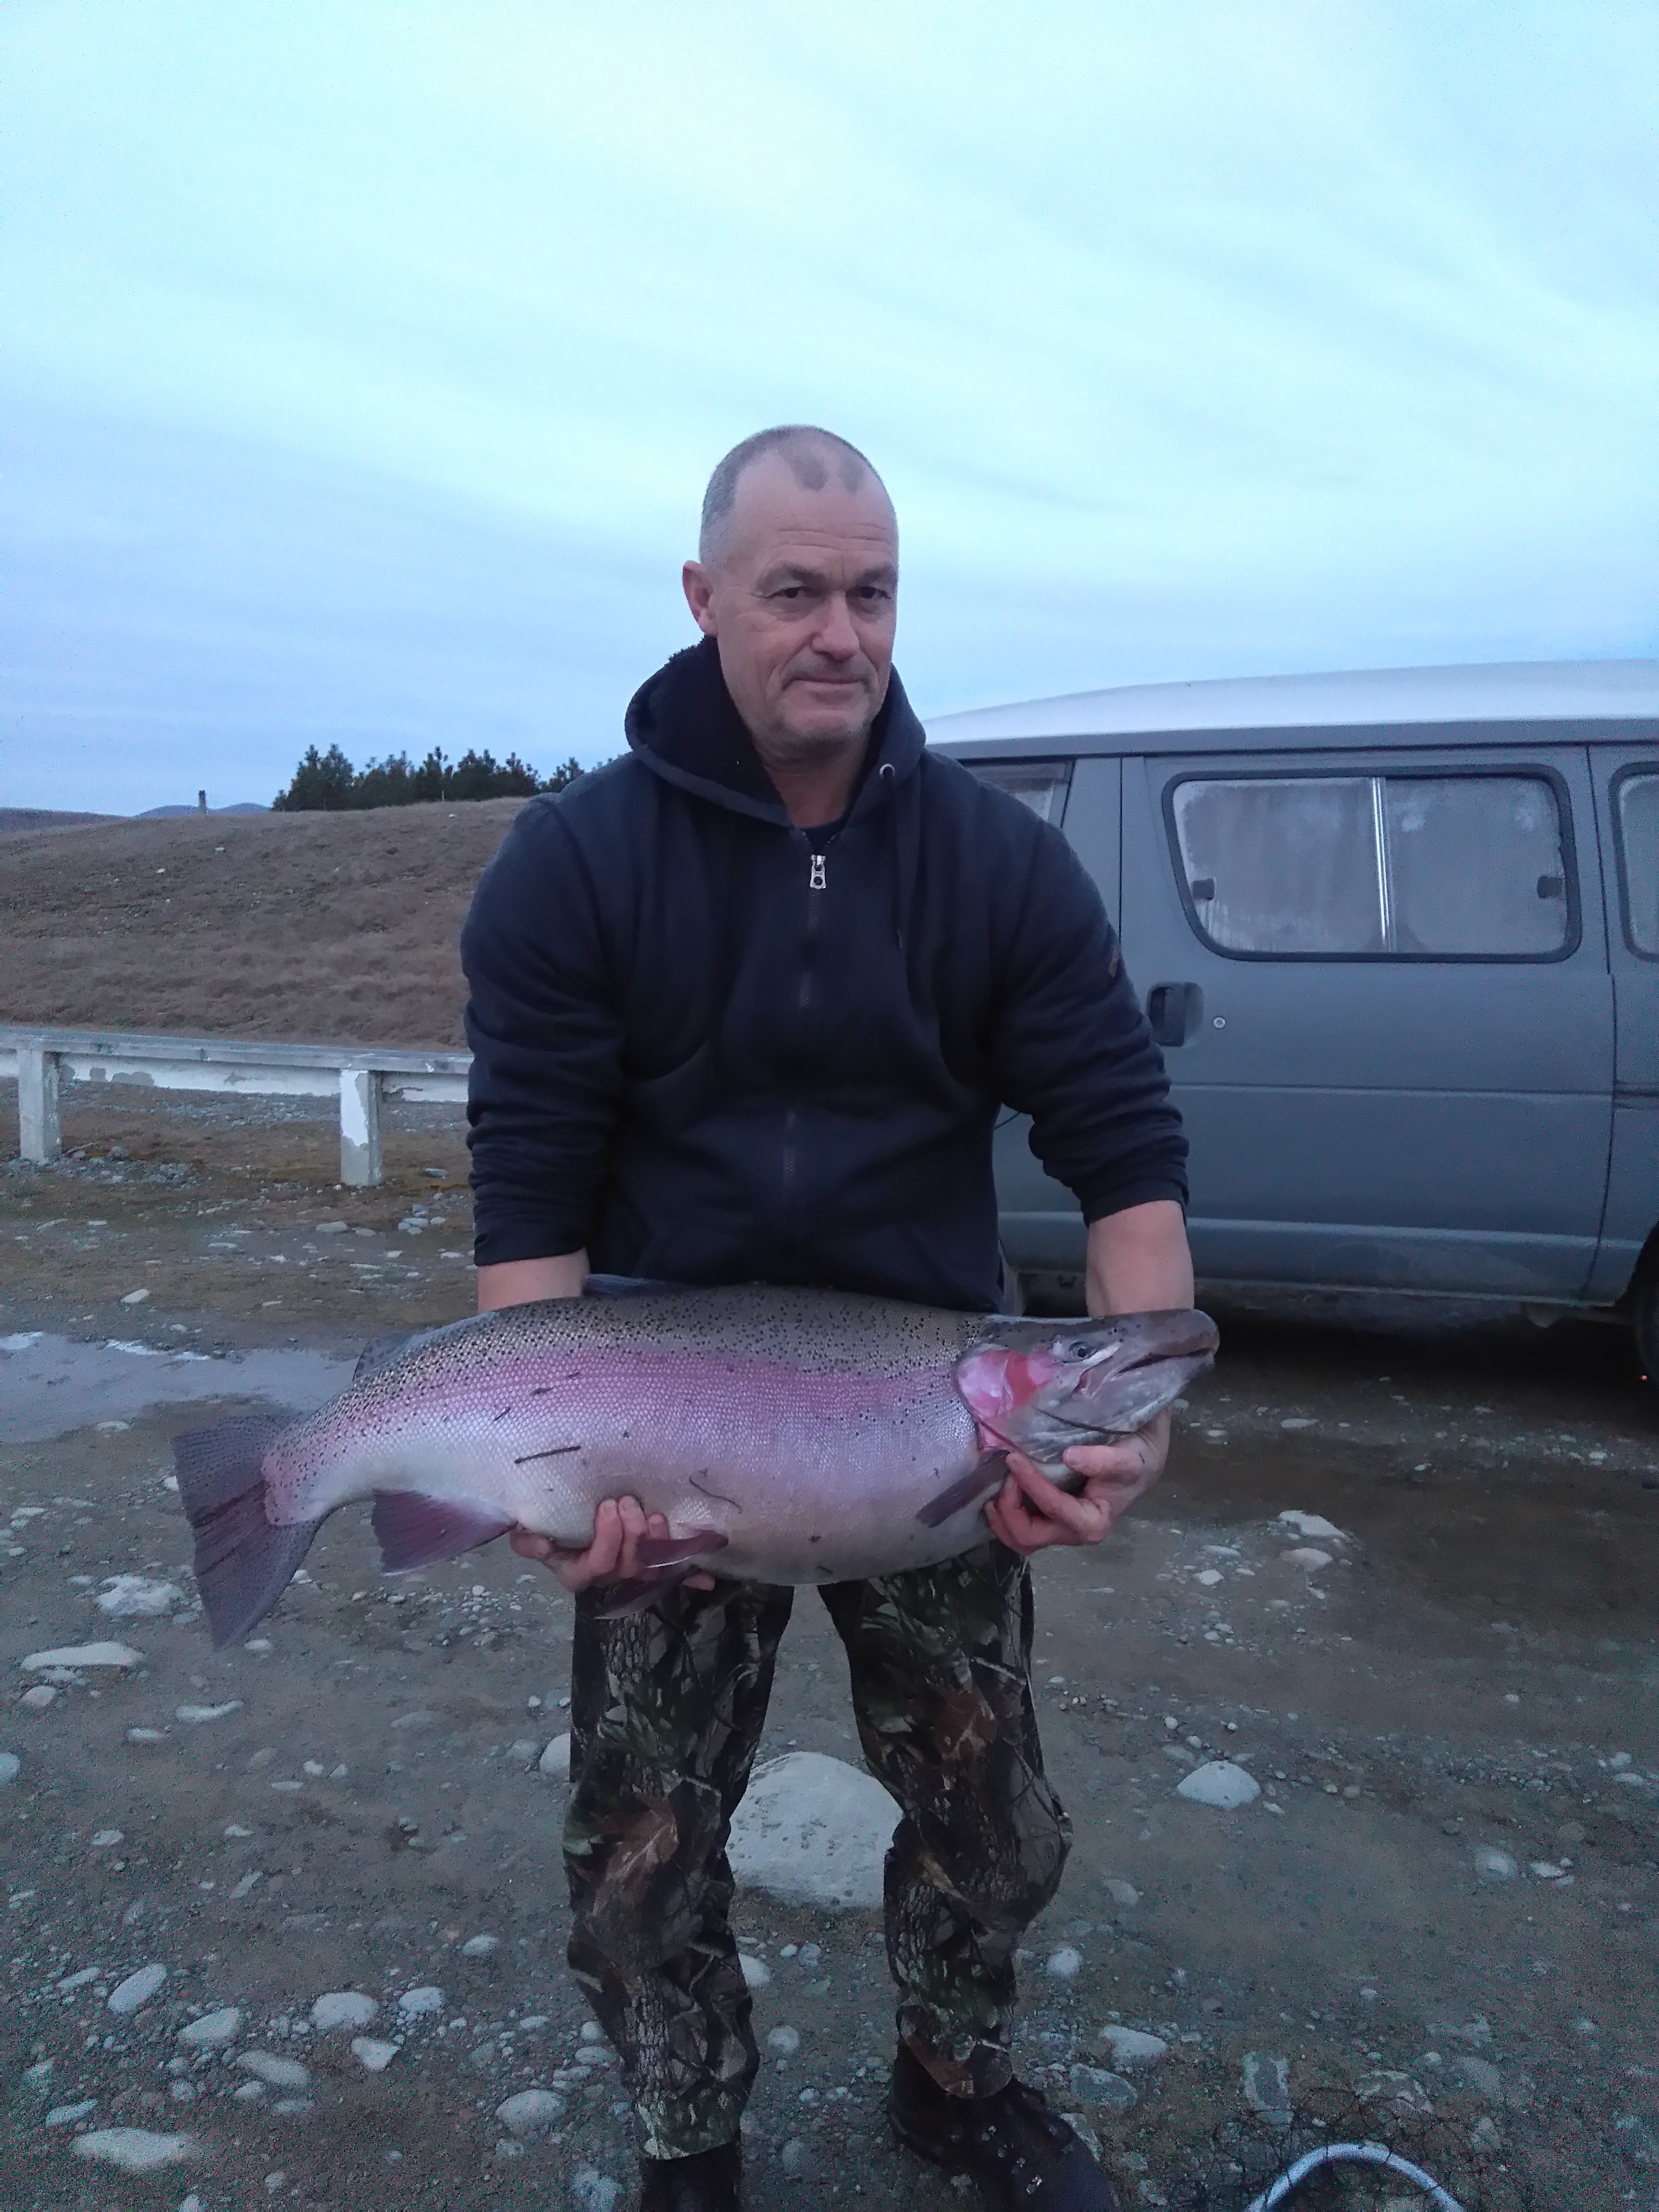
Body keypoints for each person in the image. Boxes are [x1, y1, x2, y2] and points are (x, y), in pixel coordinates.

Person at [461, 425, 1192, 2212]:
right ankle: (690, 2138)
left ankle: (953, 2080)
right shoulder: (571, 868)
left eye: (870, 594)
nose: (839, 633)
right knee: (635, 1857)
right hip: (665, 1415)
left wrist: (1141, 1409)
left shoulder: (1000, 870)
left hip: (926, 1419)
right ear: (705, 597)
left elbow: (1124, 1149)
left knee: (996, 1835)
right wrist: (544, 1485)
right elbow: (532, 1196)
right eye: (795, 591)